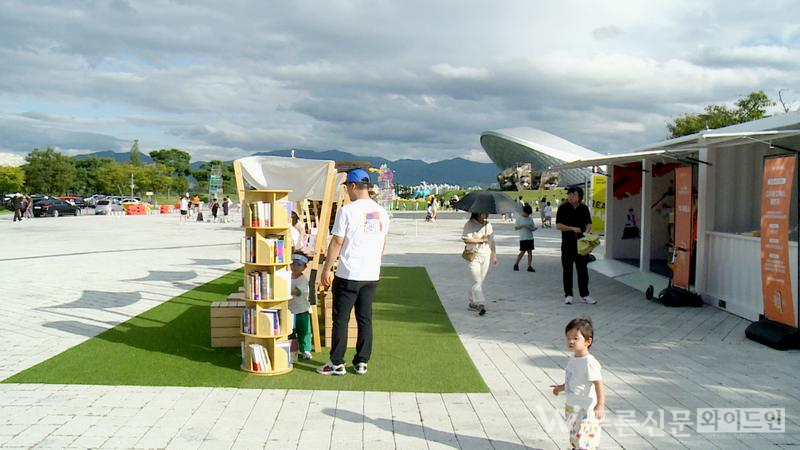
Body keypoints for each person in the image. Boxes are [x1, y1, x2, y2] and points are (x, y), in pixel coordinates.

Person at [317, 168, 390, 376]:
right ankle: (362, 362)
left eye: (347, 187)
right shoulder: (382, 212)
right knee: (365, 318)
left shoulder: (347, 211)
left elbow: (337, 242)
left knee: (341, 319)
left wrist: (327, 268)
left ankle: (336, 362)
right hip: (371, 274)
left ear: (353, 186)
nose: (347, 191)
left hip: (349, 273)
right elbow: (383, 242)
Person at [550, 318, 605, 450]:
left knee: (585, 437)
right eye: (568, 338)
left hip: (586, 409)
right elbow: (572, 380)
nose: (571, 341)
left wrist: (600, 404)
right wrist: (561, 387)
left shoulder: (589, 362)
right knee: (574, 435)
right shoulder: (573, 358)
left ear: (588, 342)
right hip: (571, 406)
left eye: (575, 338)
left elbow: (599, 383)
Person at [556, 187, 595, 304]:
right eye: (570, 194)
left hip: (581, 244)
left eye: (574, 194)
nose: (571, 196)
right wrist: (571, 228)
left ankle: (584, 295)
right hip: (567, 244)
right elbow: (558, 225)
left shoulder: (584, 208)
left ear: (580, 197)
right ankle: (568, 295)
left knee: (582, 270)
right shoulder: (563, 208)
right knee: (567, 270)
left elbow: (589, 223)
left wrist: (586, 233)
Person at [462, 212, 497, 314]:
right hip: (474, 255)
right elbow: (466, 239)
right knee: (476, 280)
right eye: (482, 212)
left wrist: (494, 254)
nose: (485, 214)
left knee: (479, 281)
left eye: (486, 212)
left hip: (486, 254)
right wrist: (480, 240)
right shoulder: (469, 224)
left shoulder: (488, 224)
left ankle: (472, 302)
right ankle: (480, 303)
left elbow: (492, 241)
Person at [289, 252, 313, 360]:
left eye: (299, 264)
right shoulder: (287, 277)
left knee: (304, 330)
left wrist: (283, 289)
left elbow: (297, 292)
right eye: (293, 263)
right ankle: (292, 350)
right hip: (289, 310)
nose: (295, 266)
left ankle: (306, 350)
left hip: (302, 309)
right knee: (290, 331)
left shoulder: (303, 279)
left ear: (304, 267)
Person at [513, 204, 536, 272]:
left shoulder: (530, 218)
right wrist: (523, 225)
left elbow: (533, 227)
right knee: (523, 251)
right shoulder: (519, 218)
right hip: (523, 237)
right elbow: (515, 228)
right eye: (527, 214)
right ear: (524, 212)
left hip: (530, 237)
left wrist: (533, 228)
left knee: (530, 252)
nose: (528, 215)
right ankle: (516, 264)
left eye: (529, 214)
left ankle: (529, 266)